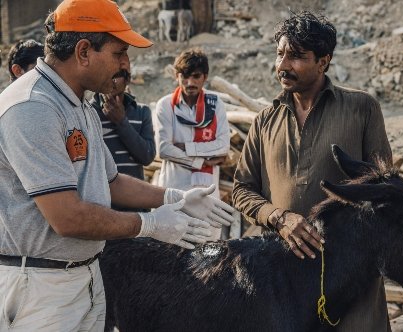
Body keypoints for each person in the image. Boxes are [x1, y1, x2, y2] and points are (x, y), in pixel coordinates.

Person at [0, 0, 235, 330]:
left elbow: (112, 182)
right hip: (41, 287)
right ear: (84, 51)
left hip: (84, 275)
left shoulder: (80, 105)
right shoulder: (32, 107)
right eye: (119, 53)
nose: (126, 64)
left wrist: (175, 198)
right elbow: (67, 217)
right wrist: (149, 225)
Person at [232, 11, 403, 331]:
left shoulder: (361, 109)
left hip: (353, 279)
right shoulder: (264, 121)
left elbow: (387, 196)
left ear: (324, 61)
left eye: (297, 56)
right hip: (285, 279)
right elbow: (242, 189)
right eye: (280, 54)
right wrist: (279, 218)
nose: (283, 65)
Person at [155, 48, 231, 240]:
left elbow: (223, 146)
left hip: (207, 192)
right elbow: (164, 149)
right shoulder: (165, 105)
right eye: (185, 76)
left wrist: (186, 147)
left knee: (207, 249)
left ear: (205, 77)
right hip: (174, 190)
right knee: (172, 249)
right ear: (176, 76)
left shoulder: (215, 104)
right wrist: (200, 161)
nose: (190, 83)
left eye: (196, 76)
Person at [90, 66, 155, 211]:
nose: (109, 80)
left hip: (137, 206)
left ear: (127, 80)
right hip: (103, 207)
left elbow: (147, 156)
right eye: (104, 74)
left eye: (115, 76)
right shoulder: (88, 113)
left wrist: (121, 122)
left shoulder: (142, 112)